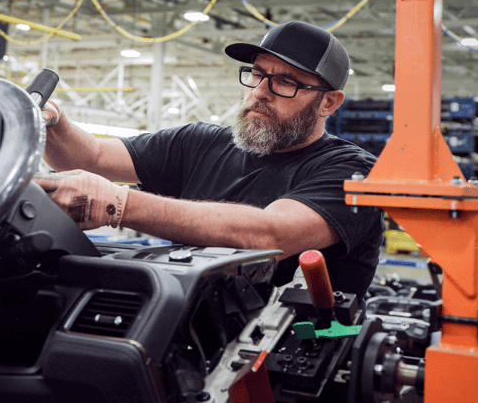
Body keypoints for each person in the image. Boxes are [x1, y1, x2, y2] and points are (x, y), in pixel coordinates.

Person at [34, 21, 384, 300]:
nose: (259, 91)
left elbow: (267, 235)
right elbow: (92, 157)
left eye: (285, 83)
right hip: (213, 334)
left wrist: (118, 204)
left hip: (322, 338)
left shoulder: (353, 171)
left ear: (329, 103)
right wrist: (51, 123)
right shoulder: (201, 143)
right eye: (257, 74)